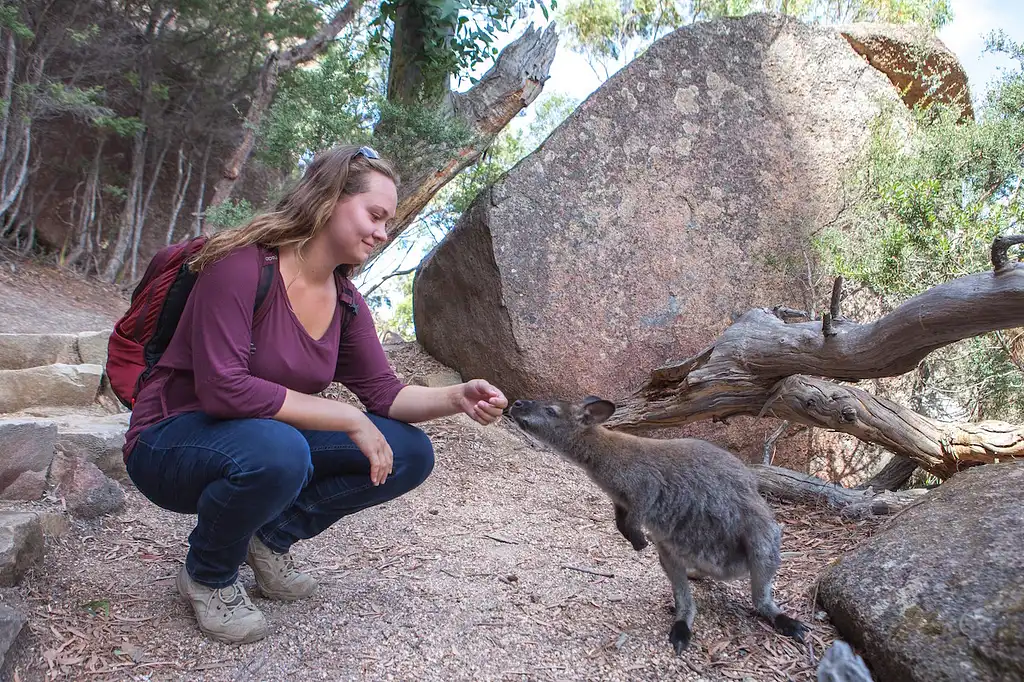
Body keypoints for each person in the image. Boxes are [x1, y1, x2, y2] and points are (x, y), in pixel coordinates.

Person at [122, 144, 508, 645]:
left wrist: (456, 397)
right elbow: (222, 389)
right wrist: (347, 418)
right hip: (169, 439)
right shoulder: (240, 264)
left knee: (410, 452)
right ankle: (208, 575)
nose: (383, 232)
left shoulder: (346, 302)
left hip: (257, 439)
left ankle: (270, 539)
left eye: (387, 221)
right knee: (283, 450)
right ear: (329, 199)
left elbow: (385, 394)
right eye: (374, 214)